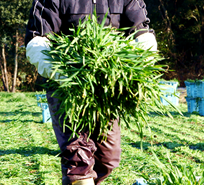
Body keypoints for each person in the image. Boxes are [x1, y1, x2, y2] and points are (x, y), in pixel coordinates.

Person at [25, 1, 157, 184]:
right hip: (67, 89)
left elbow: (141, 31)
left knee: (108, 158)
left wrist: (138, 62)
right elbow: (37, 41)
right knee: (78, 158)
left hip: (107, 89)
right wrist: (65, 74)